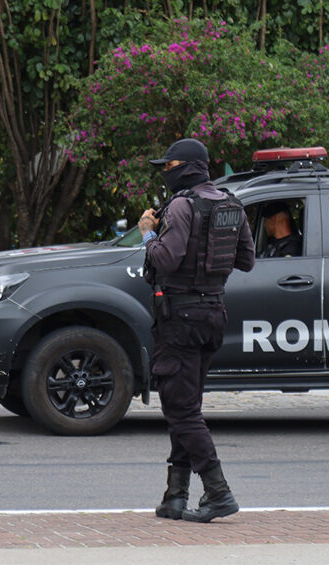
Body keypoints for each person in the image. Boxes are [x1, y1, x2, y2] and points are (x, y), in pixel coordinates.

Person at [138, 138, 255, 523]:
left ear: (185, 168)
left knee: (182, 409)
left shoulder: (182, 205)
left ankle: (218, 492)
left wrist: (147, 233)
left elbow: (165, 258)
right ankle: (175, 496)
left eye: (168, 167)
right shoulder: (231, 203)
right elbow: (246, 260)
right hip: (213, 313)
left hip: (180, 318)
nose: (164, 174)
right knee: (186, 407)